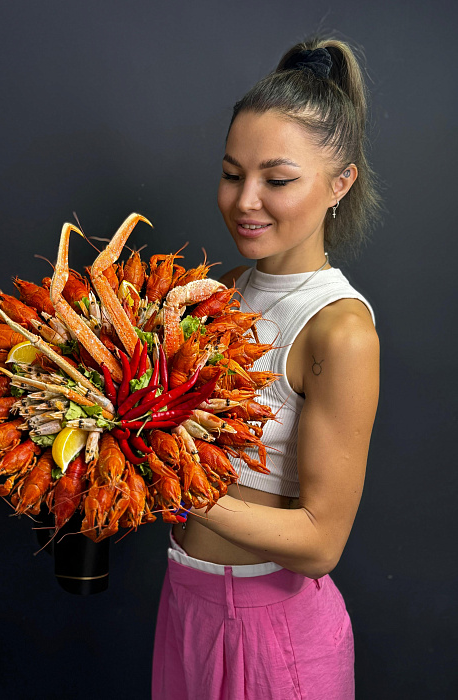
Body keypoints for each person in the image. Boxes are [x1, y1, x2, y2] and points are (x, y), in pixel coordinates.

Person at [152, 35, 381, 700]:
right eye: (231, 173)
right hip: (185, 602)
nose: (245, 200)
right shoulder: (218, 292)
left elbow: (318, 544)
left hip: (272, 629)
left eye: (277, 180)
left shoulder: (339, 329)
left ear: (340, 183)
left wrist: (169, 482)